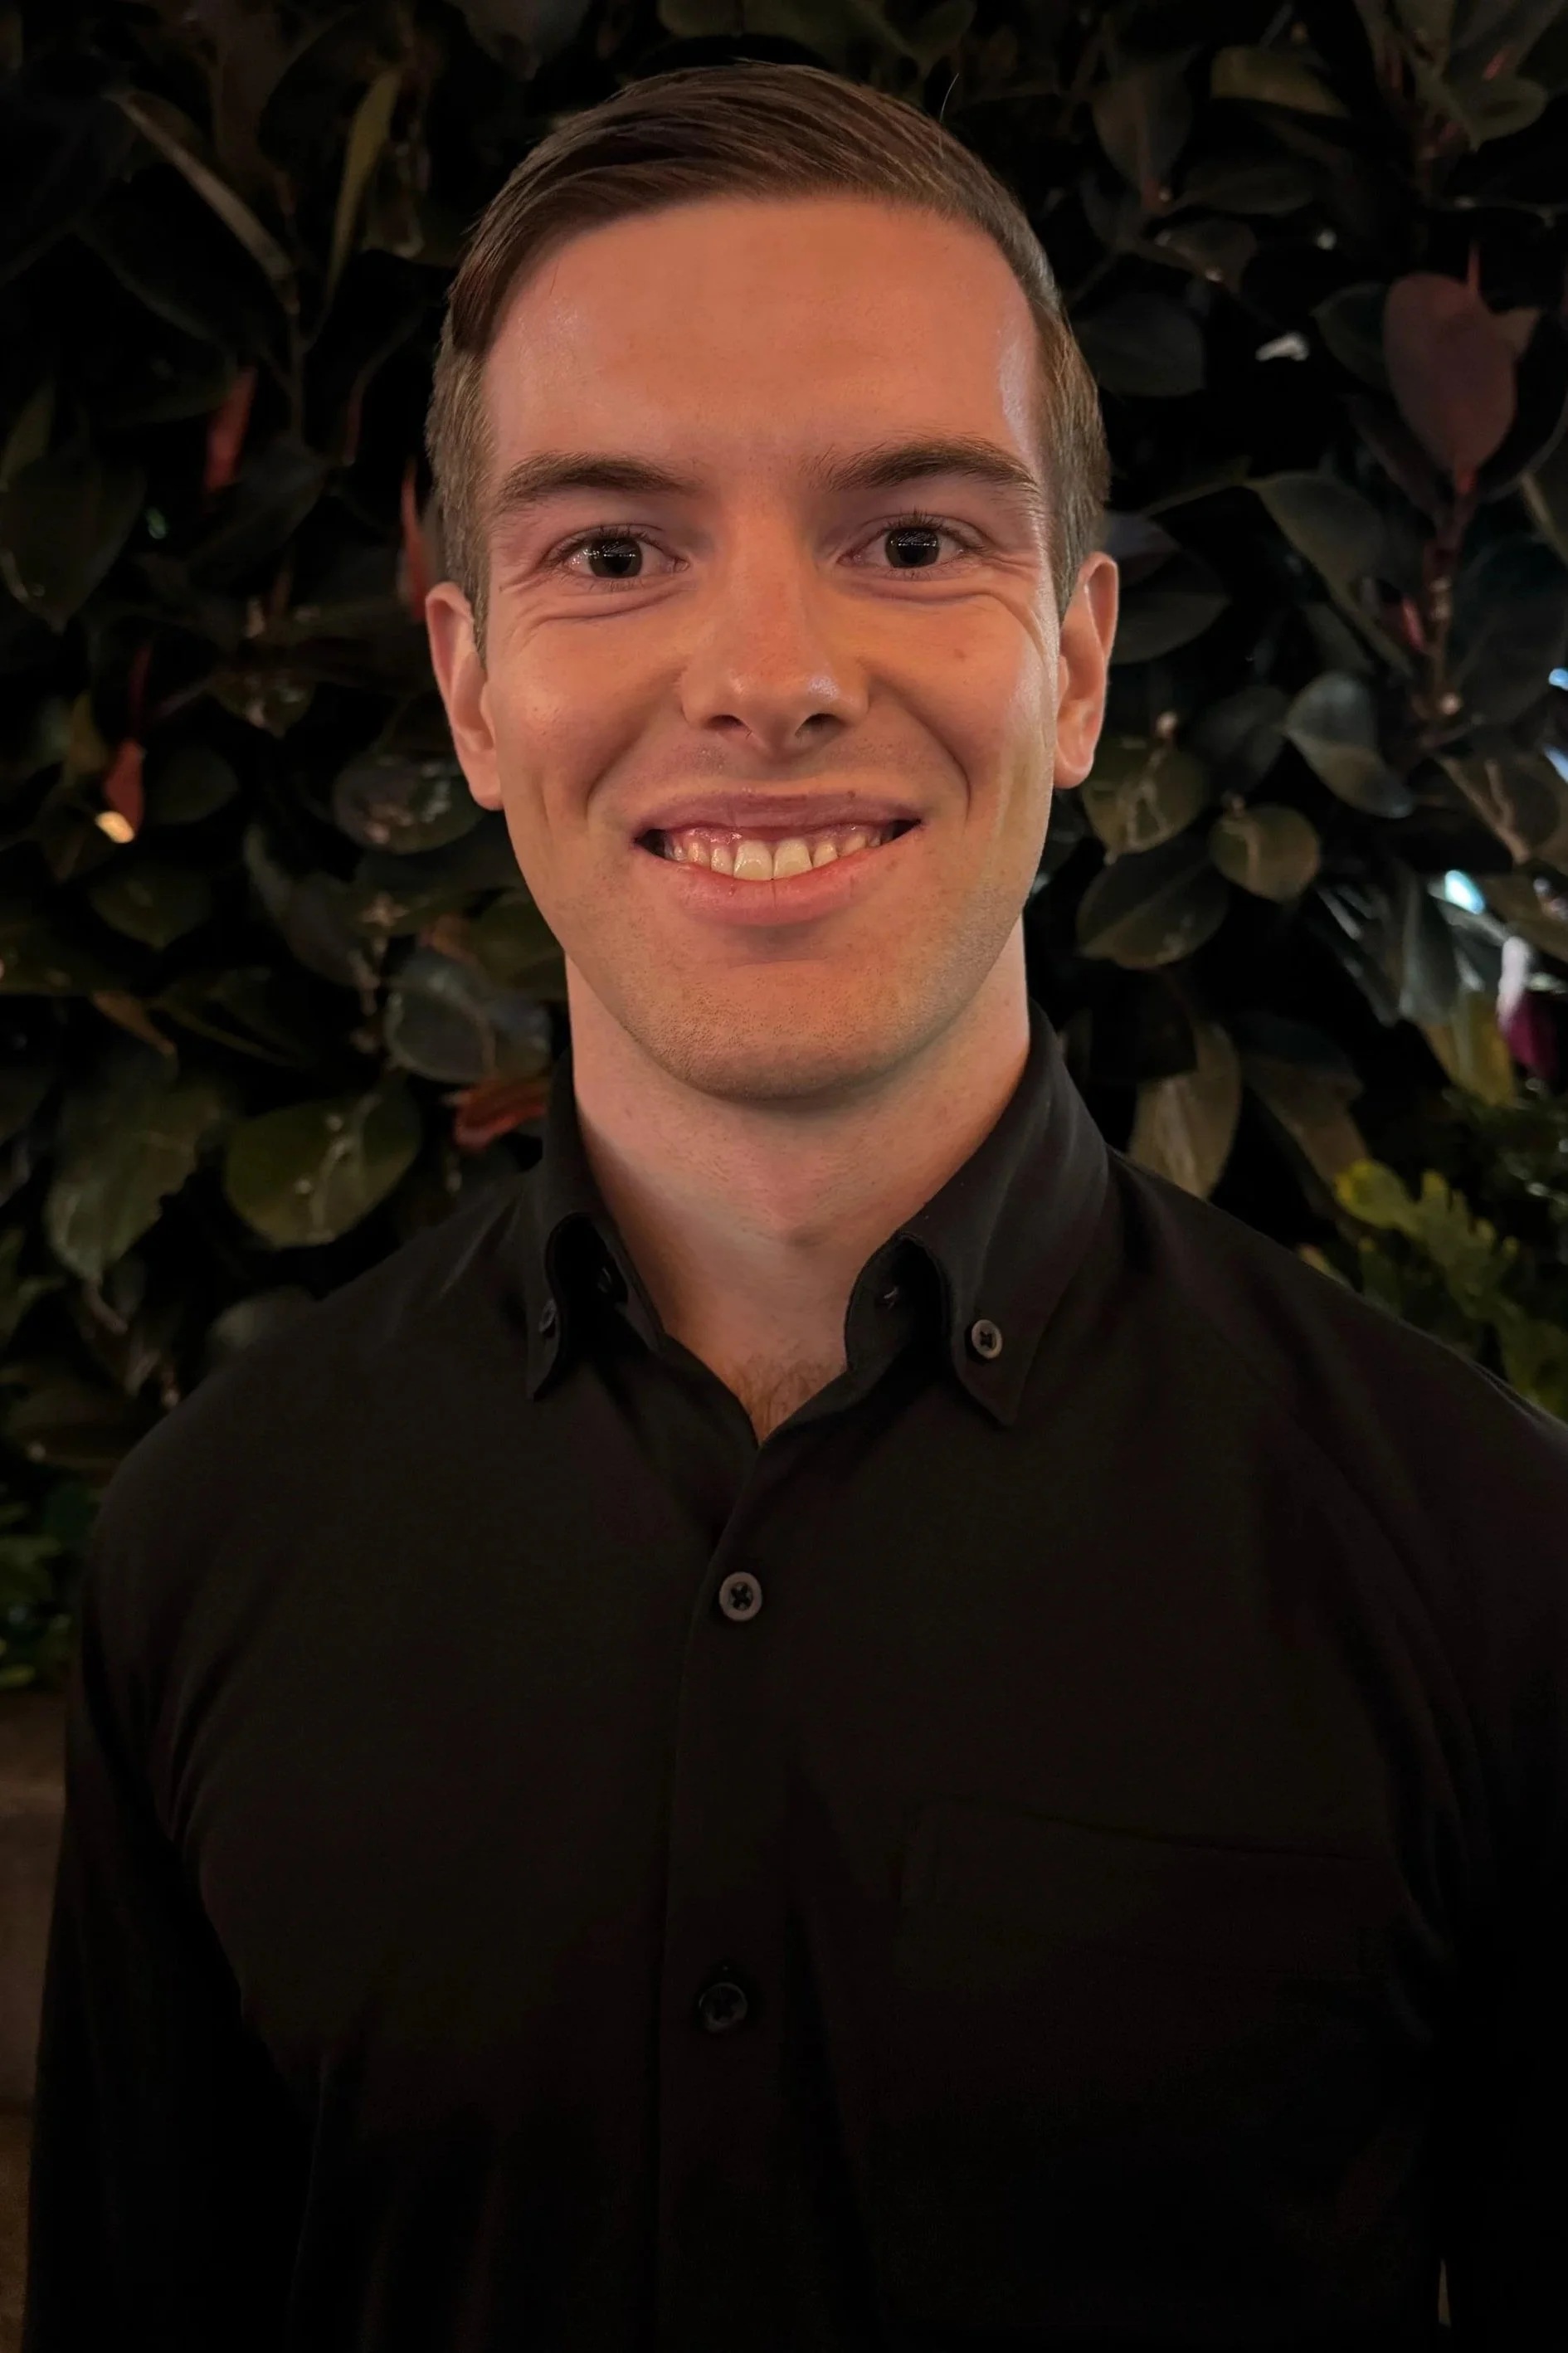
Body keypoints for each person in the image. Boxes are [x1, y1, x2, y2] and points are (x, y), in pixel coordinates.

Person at [22, 58, 1568, 2353]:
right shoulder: (207, 1557)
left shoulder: (1482, 1559)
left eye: (915, 537)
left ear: (1076, 662)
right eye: (615, 549)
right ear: (469, 681)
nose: (768, 678)